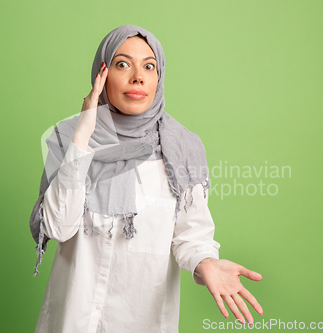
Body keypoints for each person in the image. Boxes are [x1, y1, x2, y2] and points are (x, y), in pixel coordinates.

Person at [30, 25, 263, 333]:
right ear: (102, 74)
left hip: (140, 321)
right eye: (122, 64)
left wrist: (207, 262)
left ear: (159, 77)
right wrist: (83, 138)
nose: (138, 76)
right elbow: (59, 227)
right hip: (73, 320)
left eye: (149, 66)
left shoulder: (182, 148)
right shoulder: (68, 138)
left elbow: (191, 235)